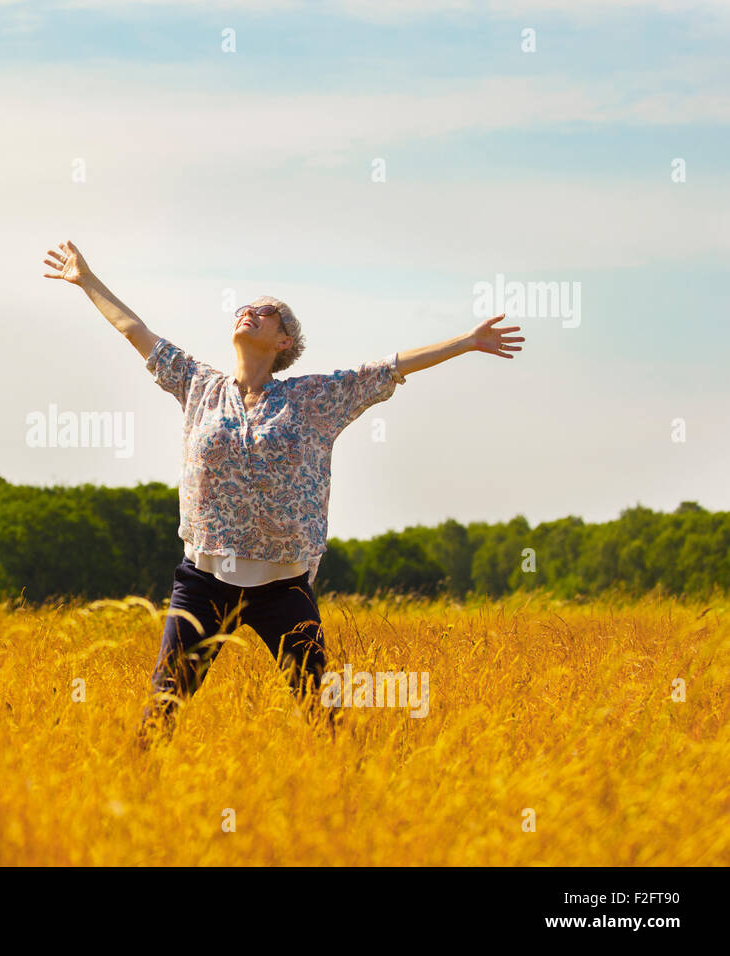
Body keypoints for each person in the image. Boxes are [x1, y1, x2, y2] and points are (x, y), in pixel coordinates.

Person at [43, 239, 523, 746]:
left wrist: (467, 341)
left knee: (324, 716)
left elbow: (391, 368)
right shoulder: (199, 386)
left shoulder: (315, 397)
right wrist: (86, 279)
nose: (250, 312)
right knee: (163, 707)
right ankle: (134, 797)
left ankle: (349, 801)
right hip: (204, 582)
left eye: (266, 312)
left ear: (284, 341)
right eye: (243, 309)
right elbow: (134, 330)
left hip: (283, 590)